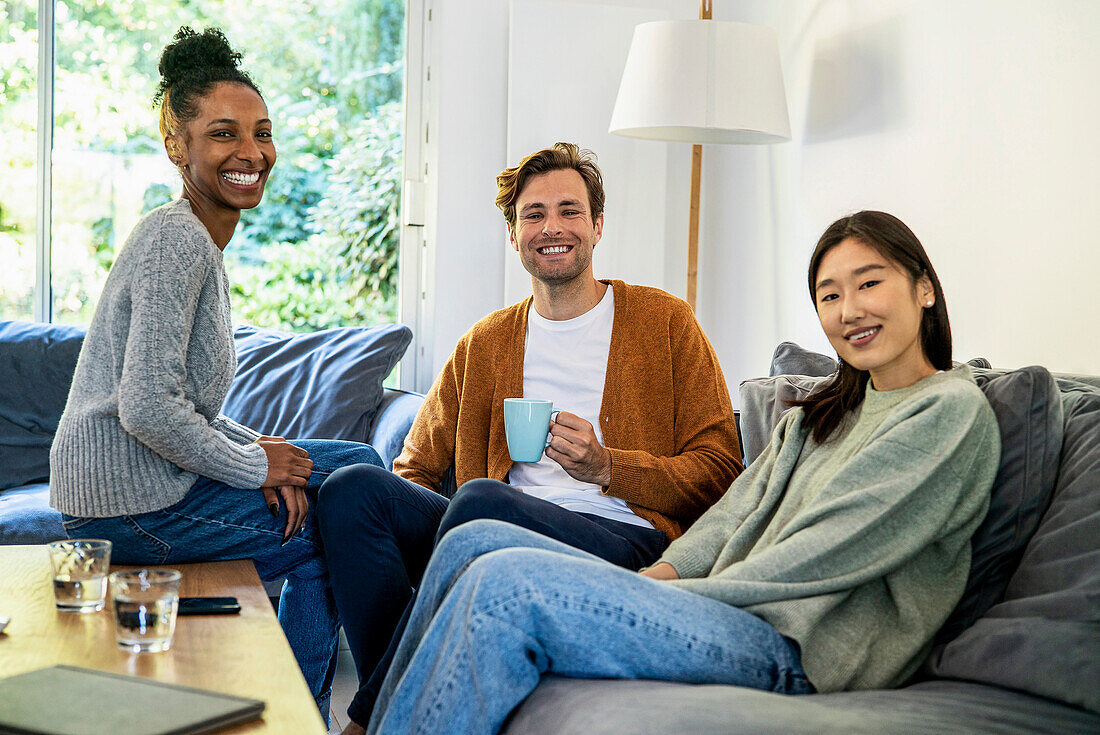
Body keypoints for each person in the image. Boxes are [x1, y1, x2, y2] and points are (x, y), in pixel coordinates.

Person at [364, 210, 1003, 735]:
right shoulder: (817, 416)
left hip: (800, 649)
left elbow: (825, 552)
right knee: (473, 539)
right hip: (729, 612)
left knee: (506, 584)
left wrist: (670, 597)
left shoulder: (947, 411)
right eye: (829, 295)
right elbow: (731, 513)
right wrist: (657, 576)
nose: (849, 310)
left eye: (870, 284)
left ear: (924, 288)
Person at [316, 142, 742, 732]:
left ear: (597, 226)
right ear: (514, 237)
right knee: (352, 488)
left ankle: (369, 718)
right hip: (482, 527)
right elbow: (414, 469)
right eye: (533, 215)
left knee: (482, 500)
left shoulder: (665, 322)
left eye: (570, 211)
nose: (552, 228)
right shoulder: (485, 343)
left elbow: (722, 471)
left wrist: (607, 467)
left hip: (619, 539)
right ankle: (396, 692)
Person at [48, 27, 383, 721]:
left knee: (355, 467)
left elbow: (185, 406)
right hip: (127, 507)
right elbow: (147, 407)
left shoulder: (196, 240)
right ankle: (304, 718)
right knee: (333, 525)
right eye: (224, 133)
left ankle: (325, 698)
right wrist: (256, 468)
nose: (252, 152)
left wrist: (261, 451)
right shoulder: (177, 239)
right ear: (178, 144)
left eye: (262, 133)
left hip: (145, 486)